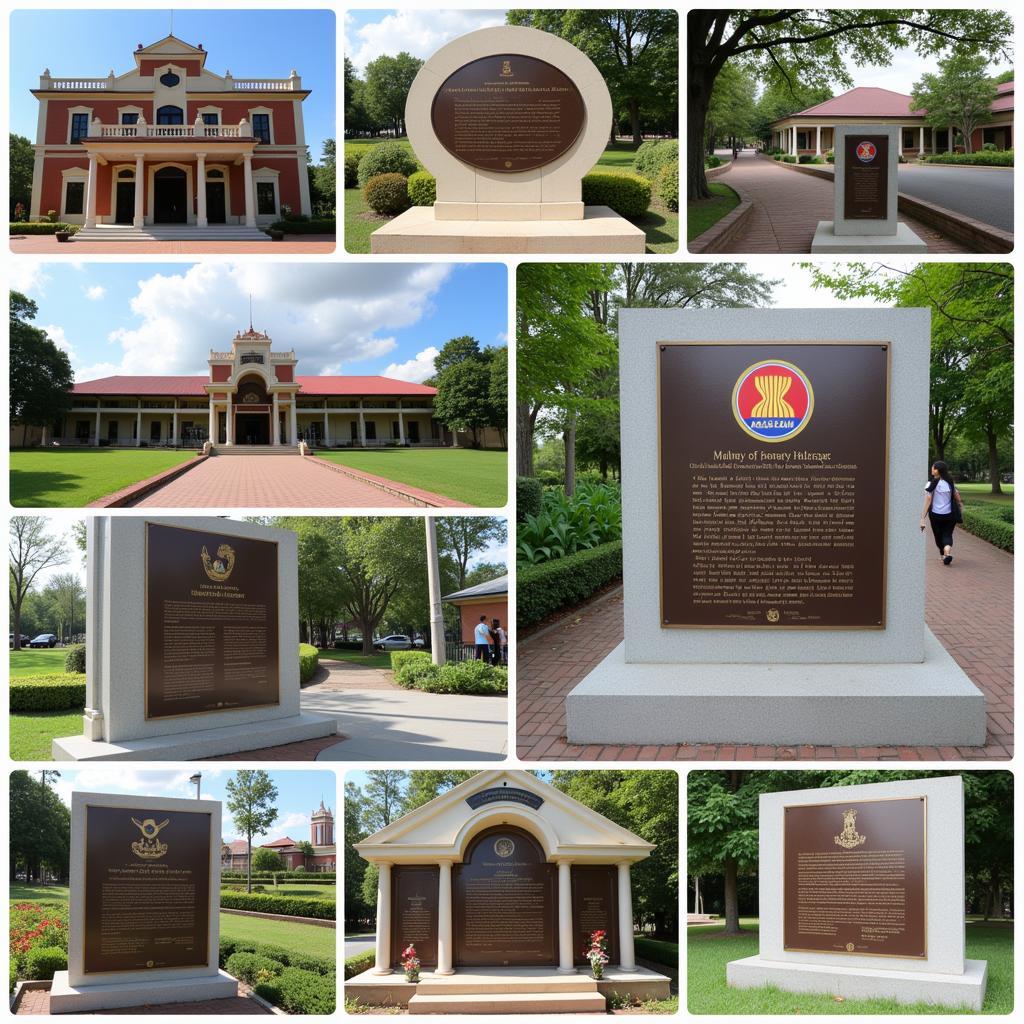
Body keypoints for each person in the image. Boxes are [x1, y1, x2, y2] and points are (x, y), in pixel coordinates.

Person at [920, 460, 964, 566]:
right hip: (950, 515)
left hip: (935, 515)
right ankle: (947, 554)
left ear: (937, 470)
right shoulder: (950, 482)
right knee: (947, 534)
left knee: (938, 536)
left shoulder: (931, 483)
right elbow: (957, 495)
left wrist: (922, 518)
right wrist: (961, 505)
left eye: (933, 467)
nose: (932, 469)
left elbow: (928, 500)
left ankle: (943, 554)